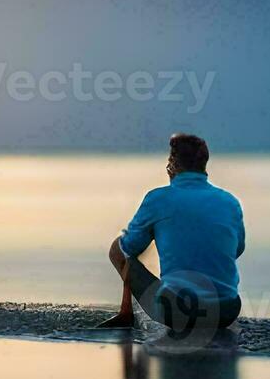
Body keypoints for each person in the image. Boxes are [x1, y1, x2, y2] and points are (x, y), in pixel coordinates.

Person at [98, 133, 246, 333]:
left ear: (172, 163)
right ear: (204, 164)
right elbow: (236, 249)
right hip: (227, 311)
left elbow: (130, 247)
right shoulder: (230, 202)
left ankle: (126, 313)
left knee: (119, 248)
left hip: (178, 313)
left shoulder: (157, 199)